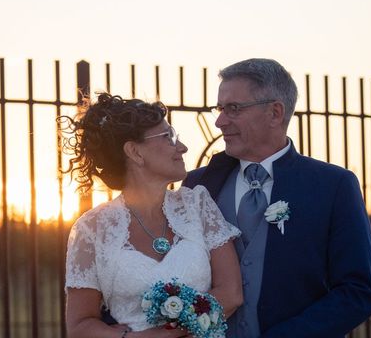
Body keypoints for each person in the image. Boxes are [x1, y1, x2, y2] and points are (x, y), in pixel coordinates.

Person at [183, 58, 371, 338]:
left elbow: (358, 292)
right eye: (220, 108)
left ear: (275, 113)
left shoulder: (333, 186)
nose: (219, 121)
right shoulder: (197, 183)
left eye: (233, 109)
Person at [61, 93, 243, 338]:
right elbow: (80, 325)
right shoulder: (92, 229)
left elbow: (231, 294)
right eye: (168, 137)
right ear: (135, 152)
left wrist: (169, 333)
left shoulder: (197, 204)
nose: (182, 147)